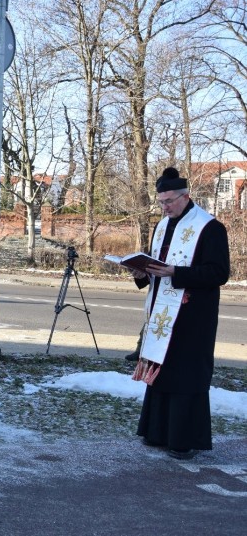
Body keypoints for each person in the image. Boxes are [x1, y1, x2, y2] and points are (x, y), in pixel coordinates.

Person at [129, 167, 229, 460]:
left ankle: (183, 440)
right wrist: (140, 272)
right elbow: (156, 268)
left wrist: (177, 273)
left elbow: (218, 273)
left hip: (192, 316)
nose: (165, 207)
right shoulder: (162, 227)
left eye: (169, 201)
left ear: (186, 196)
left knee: (185, 375)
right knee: (161, 372)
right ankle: (157, 431)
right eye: (161, 202)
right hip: (162, 311)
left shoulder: (210, 227)